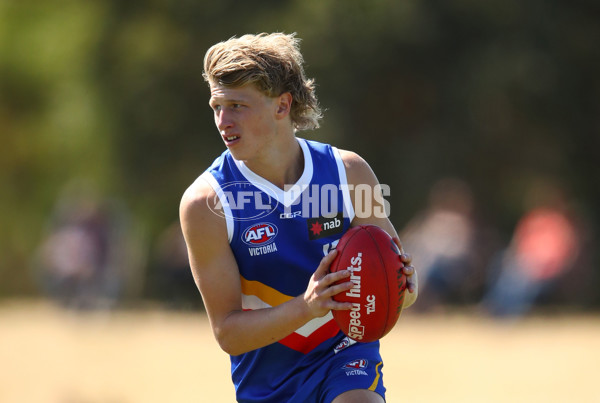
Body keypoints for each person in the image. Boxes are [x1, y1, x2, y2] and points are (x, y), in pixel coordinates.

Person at [180, 32, 418, 403]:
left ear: (282, 105)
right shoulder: (206, 203)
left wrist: (404, 283)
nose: (223, 121)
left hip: (345, 355)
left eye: (237, 106)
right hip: (269, 382)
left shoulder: (349, 174)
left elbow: (398, 285)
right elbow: (227, 333)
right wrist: (305, 307)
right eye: (216, 107)